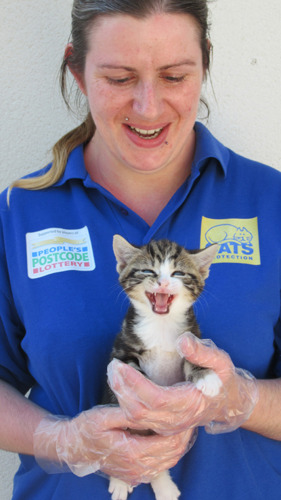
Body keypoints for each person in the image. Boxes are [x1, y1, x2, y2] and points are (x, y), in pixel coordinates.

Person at [0, 0, 281, 499]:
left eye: (174, 76)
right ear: (78, 72)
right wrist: (62, 439)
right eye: (119, 77)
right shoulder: (19, 213)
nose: (148, 107)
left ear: (206, 64)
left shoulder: (271, 201)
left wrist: (242, 400)